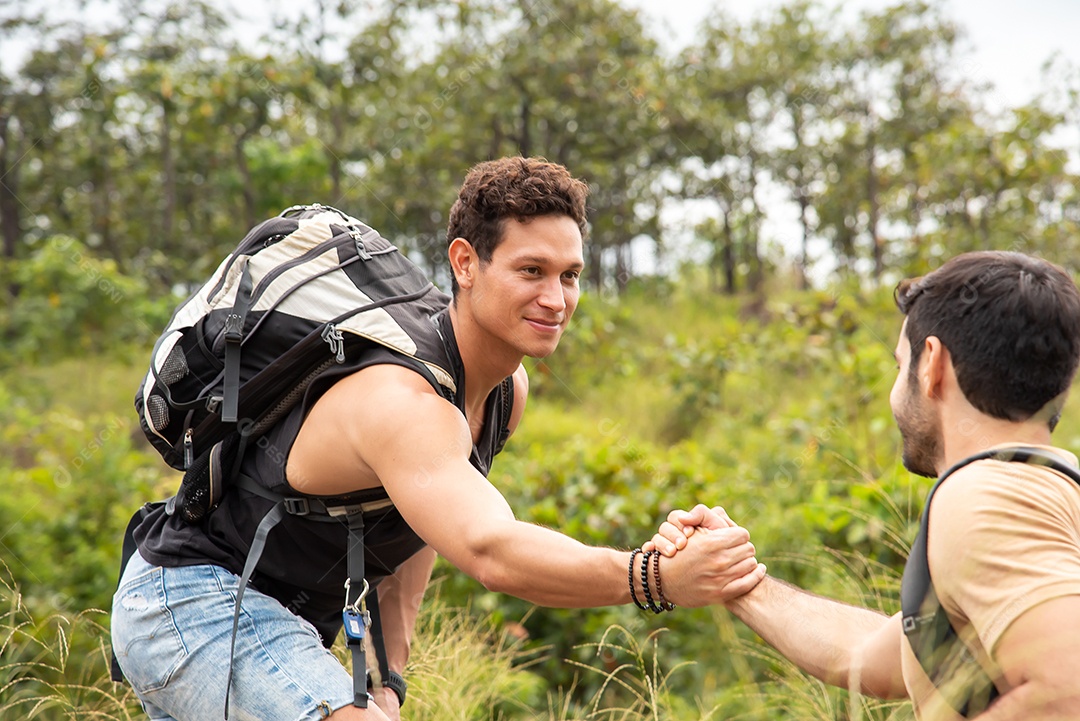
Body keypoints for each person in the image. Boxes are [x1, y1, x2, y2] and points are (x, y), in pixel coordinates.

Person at [111, 156, 767, 721]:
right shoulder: (405, 402)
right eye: (531, 270)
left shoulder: (506, 392)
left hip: (278, 622)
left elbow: (418, 527)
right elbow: (490, 550)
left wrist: (388, 675)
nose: (557, 297)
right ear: (465, 263)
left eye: (569, 274)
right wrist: (654, 577)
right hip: (190, 602)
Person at [651, 251, 1080, 720]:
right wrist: (737, 581)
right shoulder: (1049, 490)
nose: (896, 392)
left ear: (931, 364)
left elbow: (1065, 690)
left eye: (900, 367)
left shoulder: (983, 496)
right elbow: (869, 655)